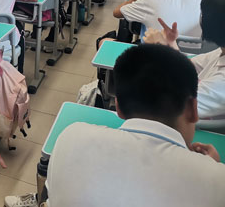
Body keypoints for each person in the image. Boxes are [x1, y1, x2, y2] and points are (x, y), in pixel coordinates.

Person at [41, 44, 225, 207]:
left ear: (118, 107)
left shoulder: (71, 137)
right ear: (193, 109)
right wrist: (211, 170)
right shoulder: (217, 181)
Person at [144, 0, 225, 119]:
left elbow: (169, 104)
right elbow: (187, 67)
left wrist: (156, 51)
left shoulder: (221, 83)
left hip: (189, 126)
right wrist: (171, 44)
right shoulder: (220, 53)